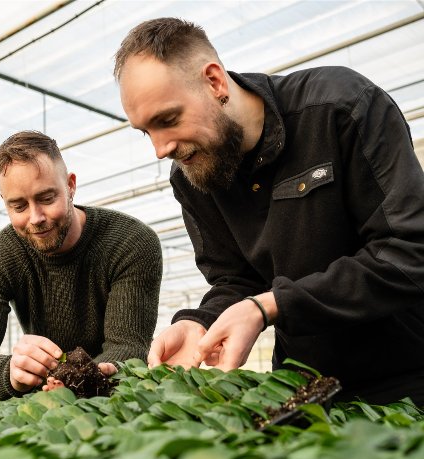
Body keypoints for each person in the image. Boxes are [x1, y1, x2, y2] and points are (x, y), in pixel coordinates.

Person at [114, 18, 424, 405]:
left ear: (215, 82)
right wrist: (200, 321)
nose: (161, 149)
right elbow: (235, 279)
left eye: (168, 120)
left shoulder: (339, 108)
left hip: (408, 376)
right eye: (146, 131)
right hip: (303, 386)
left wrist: (269, 306)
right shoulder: (192, 174)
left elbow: (409, 251)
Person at [0, 130, 163, 400]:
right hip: (45, 401)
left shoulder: (130, 242)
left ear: (70, 186)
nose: (35, 217)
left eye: (47, 199)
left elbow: (128, 345)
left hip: (116, 395)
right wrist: (10, 372)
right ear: (5, 203)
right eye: (18, 206)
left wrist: (82, 380)